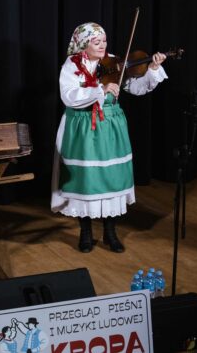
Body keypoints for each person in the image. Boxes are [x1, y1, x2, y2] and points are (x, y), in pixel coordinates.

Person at [51, 22, 167, 253]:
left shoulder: (114, 61)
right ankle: (85, 232)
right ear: (84, 44)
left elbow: (137, 88)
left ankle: (110, 232)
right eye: (97, 42)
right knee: (84, 180)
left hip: (110, 124)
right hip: (81, 126)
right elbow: (69, 96)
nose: (103, 45)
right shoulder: (72, 65)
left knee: (112, 177)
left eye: (104, 40)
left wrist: (152, 69)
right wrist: (99, 90)